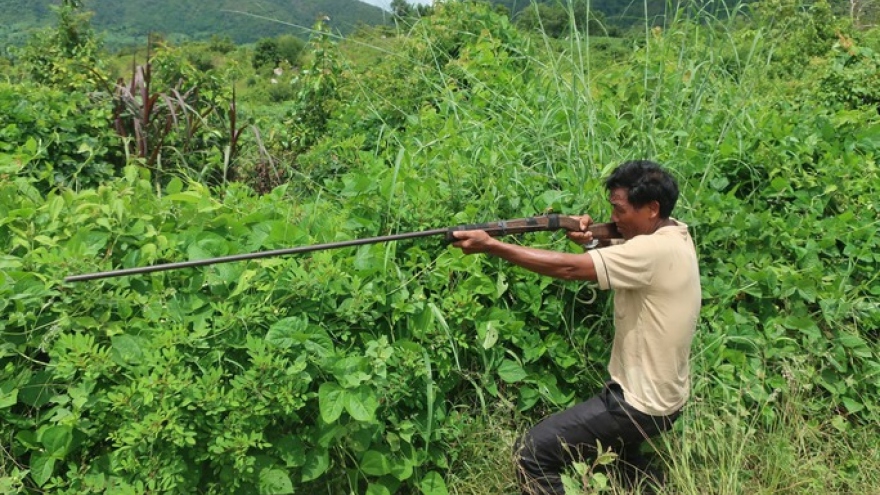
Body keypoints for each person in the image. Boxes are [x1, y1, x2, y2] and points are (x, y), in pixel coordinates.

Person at [450, 160, 701, 494]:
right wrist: (591, 241)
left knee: (532, 454)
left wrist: (493, 246)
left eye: (619, 210)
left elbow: (570, 269)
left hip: (639, 405)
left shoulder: (652, 248)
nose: (613, 218)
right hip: (664, 397)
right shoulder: (675, 233)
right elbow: (622, 259)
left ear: (652, 208)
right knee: (621, 465)